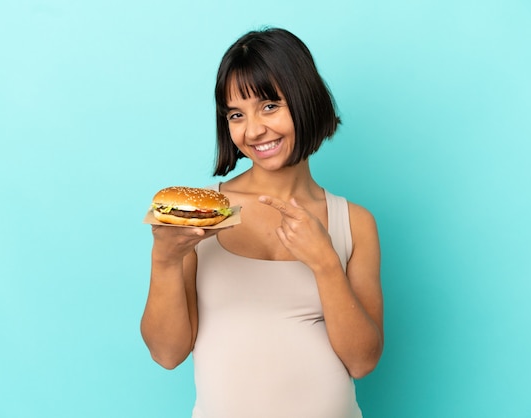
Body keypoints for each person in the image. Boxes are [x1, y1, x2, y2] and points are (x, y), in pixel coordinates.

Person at [141, 27, 384, 418]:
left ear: (305, 100)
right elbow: (167, 354)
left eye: (269, 106)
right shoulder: (201, 216)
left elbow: (362, 361)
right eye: (237, 114)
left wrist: (325, 263)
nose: (253, 130)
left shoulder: (354, 222)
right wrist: (165, 261)